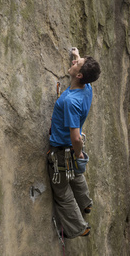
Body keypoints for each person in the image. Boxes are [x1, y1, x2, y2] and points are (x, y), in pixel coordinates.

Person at [48, 47, 101, 239]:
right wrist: (78, 58)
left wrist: (78, 153)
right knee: (76, 172)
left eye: (76, 63)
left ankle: (79, 228)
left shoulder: (71, 102)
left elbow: (76, 137)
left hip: (63, 148)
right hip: (72, 149)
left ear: (79, 74)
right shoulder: (87, 87)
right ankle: (86, 202)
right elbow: (83, 71)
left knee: (62, 191)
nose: (73, 62)